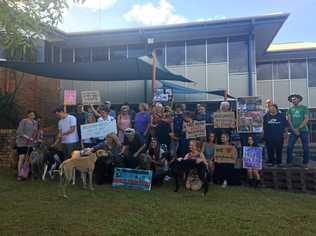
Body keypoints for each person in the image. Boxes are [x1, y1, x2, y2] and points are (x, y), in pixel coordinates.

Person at [286, 94, 310, 167]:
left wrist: (298, 128)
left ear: (299, 99)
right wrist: (293, 129)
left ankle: (305, 163)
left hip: (303, 130)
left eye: (295, 99)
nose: (293, 100)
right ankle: (289, 162)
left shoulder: (304, 108)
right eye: (292, 99)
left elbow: (306, 119)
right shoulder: (290, 109)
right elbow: (289, 120)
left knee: (305, 147)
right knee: (289, 146)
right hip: (293, 131)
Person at [16, 110, 39, 181]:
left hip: (31, 143)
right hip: (22, 142)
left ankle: (25, 173)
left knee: (28, 158)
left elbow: (36, 132)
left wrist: (35, 139)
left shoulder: (35, 122)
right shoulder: (24, 121)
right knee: (22, 157)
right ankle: (19, 174)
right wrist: (28, 137)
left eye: (34, 114)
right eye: (31, 114)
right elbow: (19, 131)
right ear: (28, 115)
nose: (32, 115)